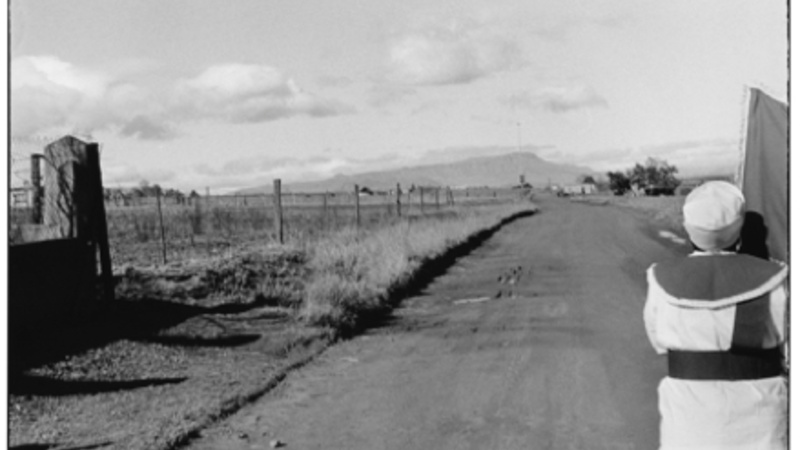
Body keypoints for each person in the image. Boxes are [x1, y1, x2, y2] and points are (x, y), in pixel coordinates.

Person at [643, 181, 788, 450]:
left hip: (688, 419)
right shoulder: (775, 278)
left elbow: (659, 341)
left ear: (689, 232)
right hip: (760, 416)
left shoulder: (660, 279)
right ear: (740, 233)